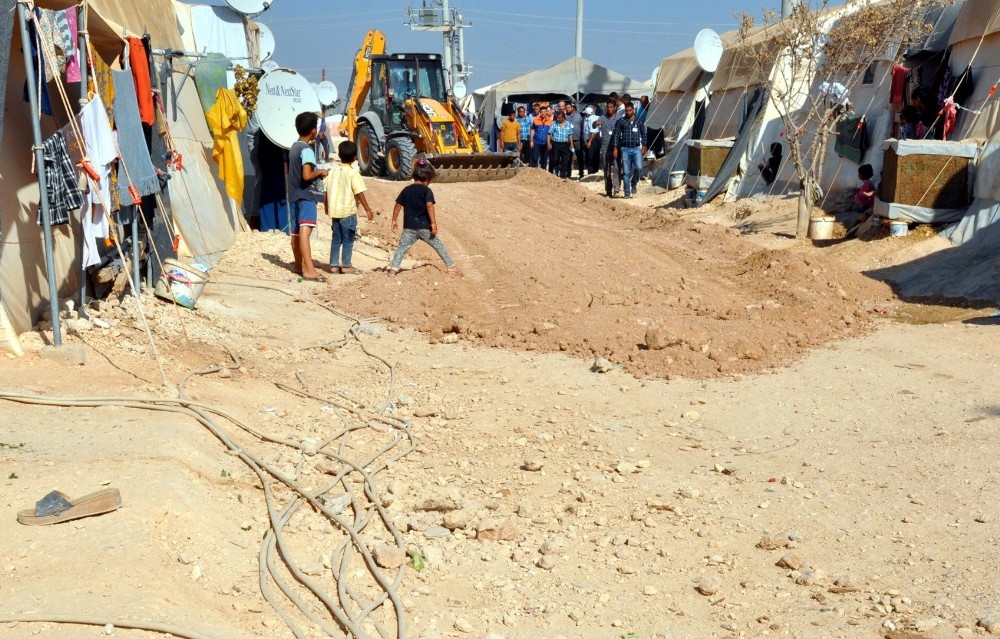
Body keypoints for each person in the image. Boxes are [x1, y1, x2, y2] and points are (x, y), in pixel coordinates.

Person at [388, 158, 461, 276]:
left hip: (409, 228)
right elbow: (429, 206)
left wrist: (394, 220)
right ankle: (451, 267)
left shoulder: (406, 190)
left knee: (401, 248)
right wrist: (433, 223)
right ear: (427, 179)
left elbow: (398, 205)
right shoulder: (427, 191)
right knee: (438, 245)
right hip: (424, 227)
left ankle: (393, 270)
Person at [287, 112, 328, 280]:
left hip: (294, 195)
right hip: (306, 195)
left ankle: (298, 265)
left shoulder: (294, 147)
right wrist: (320, 171)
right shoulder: (307, 150)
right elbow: (307, 175)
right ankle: (310, 270)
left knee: (296, 232)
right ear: (313, 131)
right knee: (306, 230)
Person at [325, 140, 374, 274]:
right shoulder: (353, 173)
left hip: (335, 213)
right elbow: (359, 192)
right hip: (348, 213)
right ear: (355, 157)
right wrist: (368, 209)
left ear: (339, 155)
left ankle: (334, 265)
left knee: (336, 239)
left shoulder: (332, 171)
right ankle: (346, 265)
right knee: (348, 239)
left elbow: (326, 190)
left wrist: (326, 206)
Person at [612, 101, 647, 199]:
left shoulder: (639, 121)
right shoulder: (621, 121)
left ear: (633, 110)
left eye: (630, 110)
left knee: (639, 167)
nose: (628, 112)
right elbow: (616, 135)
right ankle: (627, 193)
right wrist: (615, 147)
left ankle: (634, 182)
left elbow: (643, 134)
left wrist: (644, 145)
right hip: (625, 148)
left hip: (636, 148)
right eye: (626, 111)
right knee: (626, 172)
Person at [599, 99, 622, 197]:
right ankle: (608, 189)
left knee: (616, 168)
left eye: (611, 107)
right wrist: (595, 123)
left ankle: (616, 189)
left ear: (615, 107)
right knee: (606, 169)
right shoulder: (602, 118)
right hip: (605, 147)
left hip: (616, 147)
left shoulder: (619, 118)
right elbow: (594, 124)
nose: (609, 109)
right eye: (608, 107)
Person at [548, 109, 575, 179]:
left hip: (565, 144)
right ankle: (555, 172)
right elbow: (549, 133)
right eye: (557, 117)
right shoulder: (554, 123)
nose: (558, 119)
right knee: (555, 159)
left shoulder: (568, 123)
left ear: (563, 117)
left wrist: (571, 143)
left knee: (565, 160)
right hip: (556, 144)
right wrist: (548, 143)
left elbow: (570, 134)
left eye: (559, 118)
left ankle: (563, 175)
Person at [564, 101, 586, 179]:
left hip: (577, 140)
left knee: (580, 157)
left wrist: (582, 138)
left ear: (572, 108)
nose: (567, 109)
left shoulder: (578, 115)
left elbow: (582, 127)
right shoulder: (565, 117)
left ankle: (581, 174)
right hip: (568, 141)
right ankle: (568, 174)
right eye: (566, 108)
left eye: (569, 108)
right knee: (568, 158)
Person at [530, 104, 552, 170]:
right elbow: (532, 130)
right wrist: (531, 141)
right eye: (541, 112)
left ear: (546, 112)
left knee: (544, 160)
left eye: (544, 112)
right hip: (537, 143)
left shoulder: (550, 121)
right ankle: (534, 175)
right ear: (540, 112)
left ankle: (543, 176)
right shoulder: (535, 120)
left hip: (546, 143)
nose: (543, 113)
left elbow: (551, 133)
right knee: (534, 158)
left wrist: (550, 143)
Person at [583, 105, 601, 175]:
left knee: (592, 156)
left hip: (593, 139)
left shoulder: (593, 119)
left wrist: (589, 142)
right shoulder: (586, 119)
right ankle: (591, 171)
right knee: (589, 156)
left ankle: (593, 171)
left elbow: (593, 132)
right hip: (588, 139)